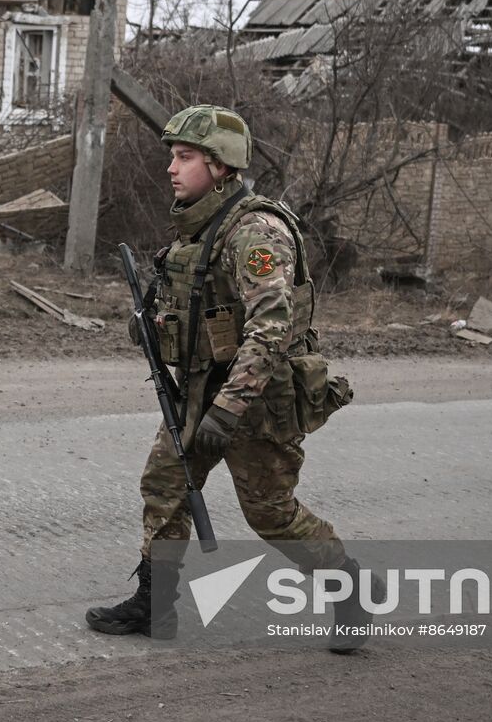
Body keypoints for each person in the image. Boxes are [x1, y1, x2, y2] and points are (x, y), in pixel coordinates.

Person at [85, 104, 380, 648]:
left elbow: (271, 329)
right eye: (172, 156)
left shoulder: (255, 232)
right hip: (201, 390)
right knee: (166, 486)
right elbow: (194, 309)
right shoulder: (196, 228)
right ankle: (154, 607)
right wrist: (153, 326)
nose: (172, 169)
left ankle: (351, 588)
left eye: (185, 157)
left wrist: (229, 407)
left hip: (258, 400)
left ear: (220, 166)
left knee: (271, 515)